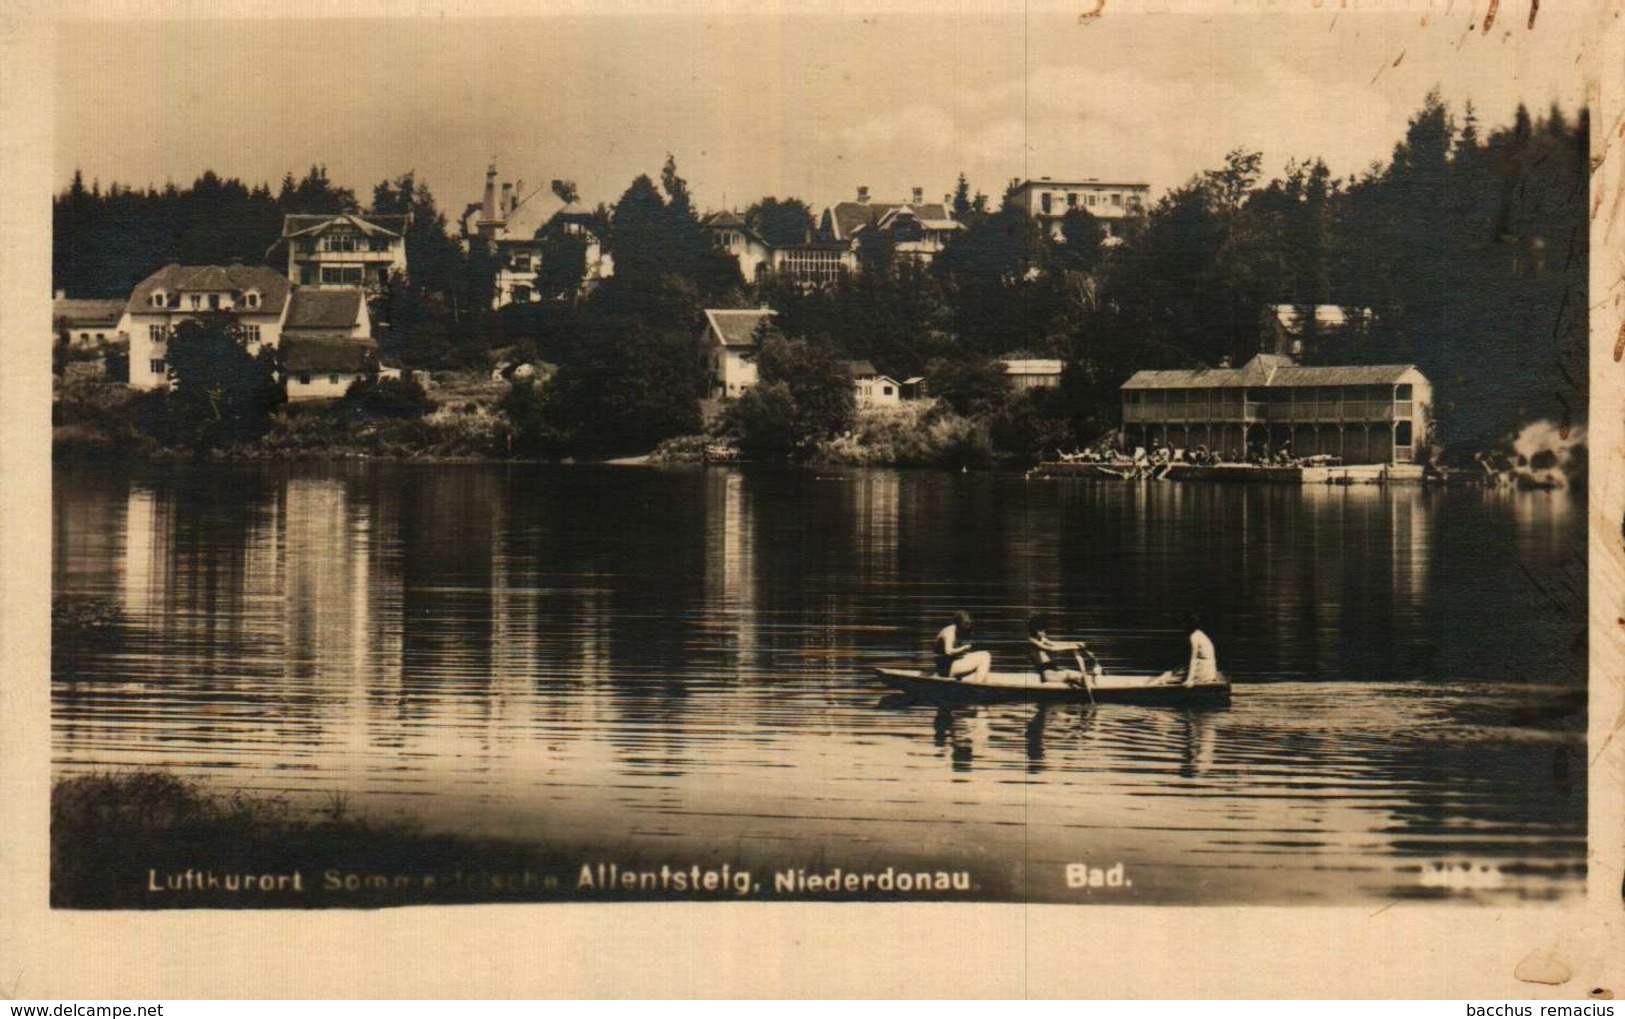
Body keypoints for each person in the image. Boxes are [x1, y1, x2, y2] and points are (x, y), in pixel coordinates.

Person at [1027, 614, 1100, 686]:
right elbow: (1051, 648)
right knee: (1072, 674)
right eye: (1043, 631)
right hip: (1049, 675)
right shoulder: (1032, 642)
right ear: (1037, 631)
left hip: (1054, 672)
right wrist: (1073, 647)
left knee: (1079, 675)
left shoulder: (1041, 639)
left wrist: (1075, 643)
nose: (1045, 633)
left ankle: (1088, 679)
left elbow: (1055, 643)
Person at [934, 611, 991, 682]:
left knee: (984, 654)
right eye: (964, 626)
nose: (966, 629)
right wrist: (964, 648)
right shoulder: (950, 632)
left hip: (949, 665)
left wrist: (964, 652)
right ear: (958, 624)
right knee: (985, 656)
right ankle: (977, 688)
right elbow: (948, 652)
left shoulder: (957, 630)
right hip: (945, 670)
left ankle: (979, 684)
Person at [1183, 612, 1220, 686]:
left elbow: (1193, 659)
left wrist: (1190, 679)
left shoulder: (1194, 636)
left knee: (1175, 673)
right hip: (1210, 671)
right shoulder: (1201, 634)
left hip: (1203, 671)